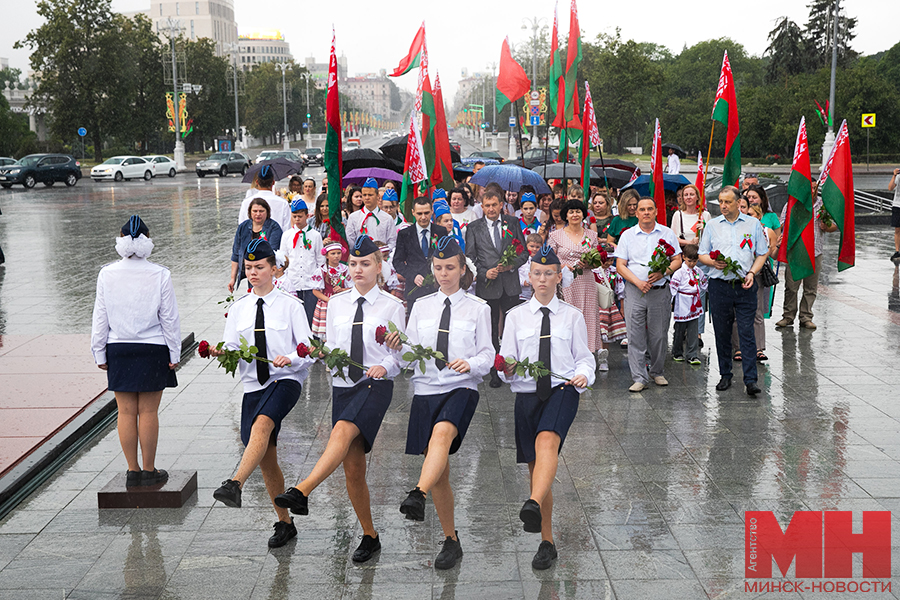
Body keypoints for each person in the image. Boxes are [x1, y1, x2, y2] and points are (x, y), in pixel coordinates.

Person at [273, 236, 404, 564]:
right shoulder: (337, 303)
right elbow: (332, 345)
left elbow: (400, 357)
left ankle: (302, 490)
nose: (358, 269)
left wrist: (386, 362)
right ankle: (370, 535)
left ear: (378, 266)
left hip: (375, 384)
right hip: (344, 385)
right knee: (353, 469)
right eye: (354, 264)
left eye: (366, 263)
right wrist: (318, 354)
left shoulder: (392, 306)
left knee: (342, 431)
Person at [385, 236, 492, 570]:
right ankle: (451, 539)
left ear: (462, 269)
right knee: (441, 472)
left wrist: (471, 364)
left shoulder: (479, 308)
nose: (444, 274)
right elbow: (409, 356)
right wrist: (395, 346)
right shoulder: (421, 306)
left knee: (443, 434)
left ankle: (417, 492)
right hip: (426, 389)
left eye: (450, 268)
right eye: (438, 267)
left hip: (460, 387)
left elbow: (488, 354)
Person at [210, 239, 315, 548]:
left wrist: (292, 358)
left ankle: (234, 483)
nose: (253, 273)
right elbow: (232, 348)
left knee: (263, 424)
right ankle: (284, 523)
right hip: (253, 386)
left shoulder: (291, 305)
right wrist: (220, 352)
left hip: (285, 380)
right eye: (248, 268)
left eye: (259, 267)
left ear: (274, 269)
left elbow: (309, 349)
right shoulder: (239, 308)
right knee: (267, 459)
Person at [499, 243, 595, 570]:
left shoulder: (572, 316)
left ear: (559, 277)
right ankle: (546, 540)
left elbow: (584, 357)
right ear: (529, 277)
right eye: (537, 273)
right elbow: (505, 360)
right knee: (537, 468)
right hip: (526, 394)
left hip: (562, 389)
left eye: (548, 273)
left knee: (546, 443)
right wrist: (507, 367)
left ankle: (532, 502)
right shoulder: (515, 317)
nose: (542, 279)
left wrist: (583, 375)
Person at [91, 216, 180, 488]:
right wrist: (174, 353)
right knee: (149, 412)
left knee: (126, 412)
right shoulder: (160, 274)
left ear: (120, 239)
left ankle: (132, 470)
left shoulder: (107, 273)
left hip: (118, 347)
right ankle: (149, 470)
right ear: (148, 240)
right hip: (153, 348)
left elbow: (100, 317)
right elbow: (169, 319)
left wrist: (99, 352)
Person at [699, 186, 769, 396]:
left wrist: (752, 272)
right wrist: (712, 262)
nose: (723, 206)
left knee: (747, 332)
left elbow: (762, 253)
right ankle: (725, 375)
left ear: (739, 203)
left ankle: (750, 379)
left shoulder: (752, 224)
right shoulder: (712, 225)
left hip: (745, 285)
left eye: (727, 202)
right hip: (720, 286)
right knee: (722, 332)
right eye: (720, 201)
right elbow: (701, 254)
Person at [615, 198, 683, 392]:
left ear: (655, 212)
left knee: (659, 335)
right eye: (641, 209)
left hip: (659, 291)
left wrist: (664, 272)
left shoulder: (667, 233)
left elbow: (677, 259)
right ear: (636, 213)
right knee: (635, 335)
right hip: (635, 291)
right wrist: (638, 282)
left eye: (649, 209)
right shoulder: (628, 236)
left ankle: (657, 371)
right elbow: (620, 265)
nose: (645, 212)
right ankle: (639, 377)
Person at [465, 182, 529, 387]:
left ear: (501, 204)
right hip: (488, 285)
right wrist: (484, 273)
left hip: (509, 284)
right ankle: (494, 369)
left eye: (494, 205)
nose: (491, 209)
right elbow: (470, 258)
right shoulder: (473, 228)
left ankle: (513, 366)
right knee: (491, 329)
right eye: (487, 205)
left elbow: (524, 252)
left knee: (513, 327)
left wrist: (511, 265)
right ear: (481, 207)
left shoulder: (512, 223)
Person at [775, 187, 837, 330]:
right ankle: (788, 316)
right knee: (791, 286)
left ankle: (806, 317)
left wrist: (826, 226)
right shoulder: (792, 203)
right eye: (809, 187)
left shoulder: (823, 205)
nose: (812, 190)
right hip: (796, 251)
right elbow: (782, 224)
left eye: (815, 187)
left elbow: (834, 225)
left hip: (815, 251)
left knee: (811, 287)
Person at [549, 200, 603, 360]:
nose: (574, 215)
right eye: (571, 212)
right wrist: (562, 264)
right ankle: (565, 355)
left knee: (587, 316)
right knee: (566, 317)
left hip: (586, 282)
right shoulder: (555, 235)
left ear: (583, 214)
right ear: (566, 214)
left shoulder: (591, 235)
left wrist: (590, 263)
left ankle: (586, 356)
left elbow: (597, 260)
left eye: (578, 211)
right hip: (565, 283)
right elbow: (549, 259)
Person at [394, 196, 444, 314]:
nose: (423, 217)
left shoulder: (440, 232)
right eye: (419, 213)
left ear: (432, 211)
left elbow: (446, 257)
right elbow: (397, 261)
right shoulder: (404, 234)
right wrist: (412, 275)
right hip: (414, 289)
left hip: (436, 288)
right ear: (413, 213)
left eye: (427, 213)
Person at [279, 199, 324, 327]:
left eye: (300, 216)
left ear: (306, 215)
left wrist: (319, 281)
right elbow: (283, 259)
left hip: (310, 283)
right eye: (294, 216)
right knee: (294, 317)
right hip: (292, 282)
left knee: (310, 316)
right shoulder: (287, 235)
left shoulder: (315, 235)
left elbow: (320, 260)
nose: (297, 219)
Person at [230, 198, 284, 294]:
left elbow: (271, 253)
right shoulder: (243, 227)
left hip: (265, 272)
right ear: (250, 212)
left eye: (261, 211)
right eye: (255, 211)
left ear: (267, 212)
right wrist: (232, 278)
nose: (258, 214)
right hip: (250, 270)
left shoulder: (274, 227)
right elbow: (236, 253)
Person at [669, 244, 707, 365]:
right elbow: (672, 289)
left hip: (694, 303)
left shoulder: (698, 271)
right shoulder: (679, 273)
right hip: (682, 302)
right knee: (680, 329)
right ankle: (677, 351)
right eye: (689, 261)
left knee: (693, 330)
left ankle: (692, 354)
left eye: (695, 261)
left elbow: (704, 284)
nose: (692, 264)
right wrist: (670, 302)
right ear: (683, 257)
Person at [310, 242, 349, 341]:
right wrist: (329, 300)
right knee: (327, 331)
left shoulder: (346, 269)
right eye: (333, 253)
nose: (336, 256)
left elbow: (353, 287)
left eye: (338, 253)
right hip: (326, 303)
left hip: (342, 301)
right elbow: (315, 291)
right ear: (326, 255)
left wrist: (343, 290)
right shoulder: (321, 270)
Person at [346, 178, 397, 251]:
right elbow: (350, 241)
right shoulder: (353, 217)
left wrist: (381, 251)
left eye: (370, 195)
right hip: (360, 257)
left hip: (380, 258)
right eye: (364, 195)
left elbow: (392, 242)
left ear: (377, 196)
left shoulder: (387, 218)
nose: (367, 198)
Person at [239, 165, 291, 232]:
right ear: (273, 182)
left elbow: (242, 227)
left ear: (257, 182)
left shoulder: (246, 202)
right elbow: (286, 229)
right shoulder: (283, 203)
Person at [519, 233, 543, 301]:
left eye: (537, 247)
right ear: (526, 246)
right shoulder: (521, 260)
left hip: (537, 296)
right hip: (522, 295)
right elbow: (516, 274)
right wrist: (522, 282)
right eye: (532, 246)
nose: (534, 249)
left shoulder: (542, 261)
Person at [889, 167, 900, 260]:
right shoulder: (898, 176)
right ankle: (897, 251)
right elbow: (890, 188)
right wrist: (894, 175)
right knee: (897, 229)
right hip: (897, 205)